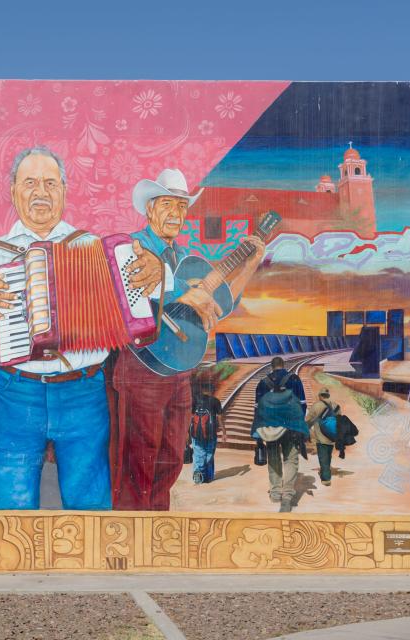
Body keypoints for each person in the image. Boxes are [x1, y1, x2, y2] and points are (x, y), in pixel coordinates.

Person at [0, 147, 165, 511]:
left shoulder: (92, 247)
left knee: (89, 507)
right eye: (30, 183)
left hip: (85, 393)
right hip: (17, 395)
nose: (40, 192)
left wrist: (156, 271)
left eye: (49, 183)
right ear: (14, 191)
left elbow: (147, 290)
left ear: (63, 190)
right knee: (9, 511)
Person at [114, 168, 264, 511]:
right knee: (140, 460)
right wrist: (184, 293)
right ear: (149, 209)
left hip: (178, 372)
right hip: (143, 368)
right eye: (167, 204)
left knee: (169, 459)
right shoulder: (130, 248)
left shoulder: (185, 260)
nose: (176, 214)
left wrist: (251, 263)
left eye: (182, 206)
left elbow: (221, 303)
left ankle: (157, 525)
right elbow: (132, 292)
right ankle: (134, 533)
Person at [252, 357, 308, 511]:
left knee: (274, 458)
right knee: (291, 459)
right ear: (283, 366)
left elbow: (257, 410)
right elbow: (303, 405)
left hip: (270, 427)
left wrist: (258, 434)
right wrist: (298, 425)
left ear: (271, 367)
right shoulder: (294, 379)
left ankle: (275, 493)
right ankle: (288, 495)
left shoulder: (263, 382)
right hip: (290, 426)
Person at [189, 369, 224, 485]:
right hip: (211, 433)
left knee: (199, 453)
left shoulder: (195, 400)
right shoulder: (215, 401)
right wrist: (224, 431)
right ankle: (208, 476)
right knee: (209, 454)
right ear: (211, 389)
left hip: (196, 433)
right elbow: (219, 418)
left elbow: (190, 416)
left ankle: (199, 475)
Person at [305, 388, 341, 486]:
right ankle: (326, 471)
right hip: (332, 436)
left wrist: (307, 431)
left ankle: (326, 478)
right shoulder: (336, 406)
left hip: (321, 437)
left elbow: (308, 420)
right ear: (328, 395)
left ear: (320, 396)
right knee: (328, 455)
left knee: (323, 457)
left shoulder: (316, 406)